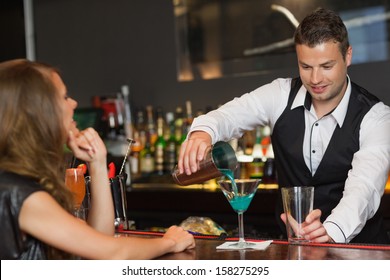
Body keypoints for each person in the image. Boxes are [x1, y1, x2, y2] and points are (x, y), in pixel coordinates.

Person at [178, 8, 390, 244]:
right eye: (306, 67)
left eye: (327, 66)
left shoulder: (376, 116)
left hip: (360, 254)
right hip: (295, 249)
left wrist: (332, 229)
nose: (316, 79)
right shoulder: (280, 94)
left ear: (347, 56)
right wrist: (202, 133)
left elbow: (365, 187)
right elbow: (229, 115)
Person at [0, 59, 195, 259]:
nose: (74, 103)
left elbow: (100, 238)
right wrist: (169, 242)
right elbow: (112, 254)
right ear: (39, 112)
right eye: (64, 97)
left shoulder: (21, 182)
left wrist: (98, 164)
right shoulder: (19, 193)